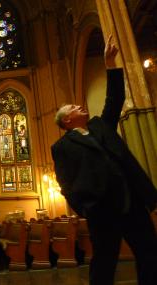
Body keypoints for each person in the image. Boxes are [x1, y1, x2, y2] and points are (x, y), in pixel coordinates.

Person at [51, 35, 157, 285]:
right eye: (74, 108)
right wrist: (87, 208)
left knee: (150, 253)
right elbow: (65, 183)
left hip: (131, 201)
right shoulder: (62, 147)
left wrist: (110, 64)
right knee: (104, 261)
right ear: (66, 120)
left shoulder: (100, 126)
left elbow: (114, 100)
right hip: (102, 209)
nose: (79, 107)